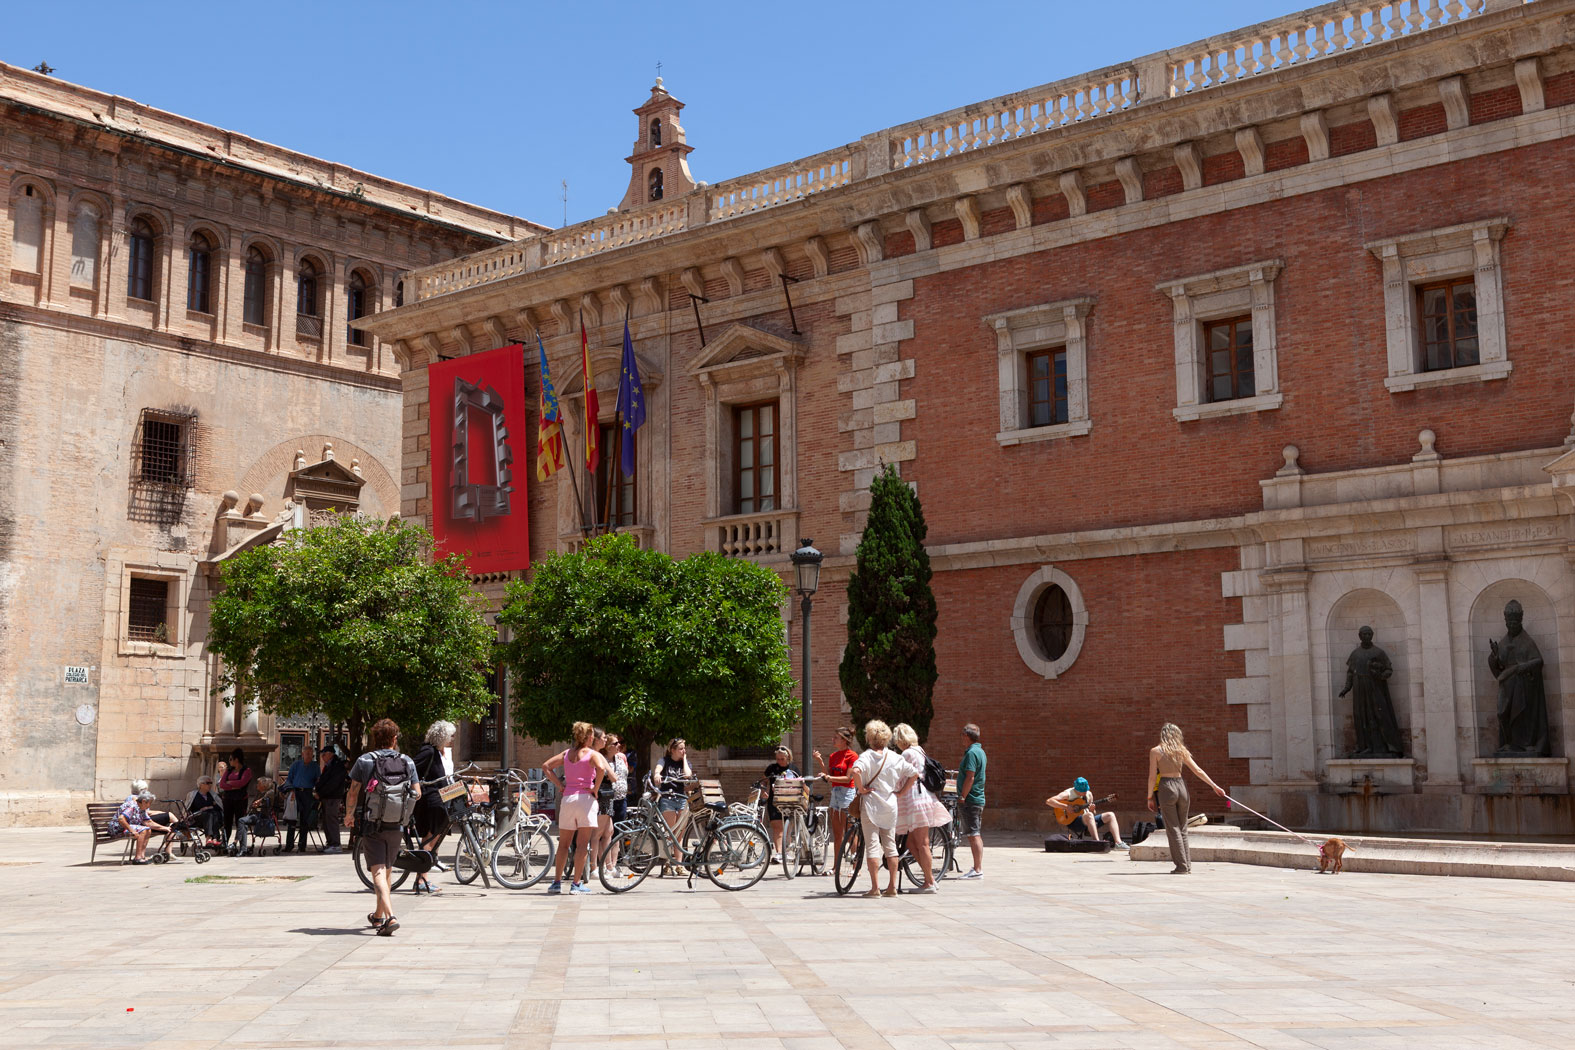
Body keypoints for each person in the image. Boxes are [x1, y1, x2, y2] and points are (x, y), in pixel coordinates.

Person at [344, 718, 421, 935]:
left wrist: (349, 815)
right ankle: (378, 916)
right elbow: (418, 793)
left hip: (372, 823)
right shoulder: (408, 761)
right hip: (397, 824)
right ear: (395, 739)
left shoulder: (365, 761)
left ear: (375, 739)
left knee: (377, 871)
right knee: (386, 870)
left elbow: (353, 791)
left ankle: (391, 916)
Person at [1146, 723, 1226, 875]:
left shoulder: (1155, 751)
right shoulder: (1181, 751)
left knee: (1173, 828)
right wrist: (1214, 786)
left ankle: (1181, 867)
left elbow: (1152, 777)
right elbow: (1198, 770)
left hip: (1166, 787)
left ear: (1162, 735)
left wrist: (1150, 796)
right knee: (1183, 828)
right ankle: (1187, 865)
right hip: (1181, 787)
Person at [542, 721, 611, 895]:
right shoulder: (592, 754)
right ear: (589, 737)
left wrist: (560, 785)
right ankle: (576, 883)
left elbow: (546, 766)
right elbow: (602, 768)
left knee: (564, 844)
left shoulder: (567, 753)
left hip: (568, 799)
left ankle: (556, 882)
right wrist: (595, 788)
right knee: (582, 845)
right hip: (585, 801)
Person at [850, 719, 908, 898]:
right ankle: (892, 887)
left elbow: (856, 771)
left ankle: (875, 887)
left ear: (869, 737)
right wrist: (901, 792)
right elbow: (913, 773)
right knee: (891, 846)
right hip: (890, 805)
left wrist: (861, 789)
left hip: (871, 805)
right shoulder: (895, 757)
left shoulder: (866, 756)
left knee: (872, 846)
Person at [892, 723, 950, 893]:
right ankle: (929, 879)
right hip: (922, 797)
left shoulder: (907, 753)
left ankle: (929, 882)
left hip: (914, 799)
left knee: (922, 843)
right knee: (911, 842)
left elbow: (902, 776)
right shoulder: (919, 751)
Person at [410, 721, 457, 887]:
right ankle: (421, 878)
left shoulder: (437, 752)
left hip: (439, 800)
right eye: (450, 736)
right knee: (429, 840)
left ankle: (423, 876)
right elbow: (412, 768)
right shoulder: (428, 751)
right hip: (430, 801)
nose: (452, 739)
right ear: (442, 736)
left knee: (433, 840)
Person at [812, 727, 859, 863]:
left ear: (844, 740)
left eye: (836, 738)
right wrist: (820, 761)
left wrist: (829, 778)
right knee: (837, 834)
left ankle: (855, 865)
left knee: (849, 832)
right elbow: (829, 775)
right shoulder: (833, 756)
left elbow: (848, 778)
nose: (833, 740)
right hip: (835, 793)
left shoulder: (853, 756)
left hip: (847, 794)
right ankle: (835, 867)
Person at [1047, 777, 1127, 850]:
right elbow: (1049, 801)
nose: (1085, 792)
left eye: (1086, 790)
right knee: (1089, 815)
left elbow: (1092, 813)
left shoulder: (1089, 794)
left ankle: (1118, 843)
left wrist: (1092, 810)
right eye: (1083, 791)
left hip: (1088, 820)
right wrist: (1065, 807)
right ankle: (1097, 843)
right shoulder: (1068, 794)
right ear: (1076, 790)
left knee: (1110, 815)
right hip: (1073, 822)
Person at [957, 724, 987, 879]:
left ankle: (977, 869)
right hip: (976, 798)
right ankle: (977, 867)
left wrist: (962, 796)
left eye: (962, 735)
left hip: (971, 799)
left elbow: (970, 777)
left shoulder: (972, 753)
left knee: (974, 834)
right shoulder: (980, 751)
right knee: (974, 833)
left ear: (966, 736)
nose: (961, 738)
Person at [107, 791, 169, 864]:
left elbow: (148, 822)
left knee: (148, 830)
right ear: (143, 801)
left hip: (125, 826)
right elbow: (121, 819)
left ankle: (142, 856)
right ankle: (137, 858)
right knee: (143, 829)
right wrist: (132, 831)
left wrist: (164, 828)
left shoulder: (141, 808)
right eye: (150, 803)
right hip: (117, 828)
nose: (149, 806)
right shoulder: (132, 806)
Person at [761, 745, 801, 853]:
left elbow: (800, 783)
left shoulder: (794, 769)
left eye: (782, 759)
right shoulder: (772, 768)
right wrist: (763, 790)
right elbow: (764, 781)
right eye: (778, 759)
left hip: (789, 801)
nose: (779, 761)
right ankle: (779, 853)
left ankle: (786, 851)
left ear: (788, 758)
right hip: (774, 802)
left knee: (787, 829)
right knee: (777, 828)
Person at [600, 732, 630, 875]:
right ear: (607, 746)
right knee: (606, 833)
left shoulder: (622, 758)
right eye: (615, 743)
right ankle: (605, 865)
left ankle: (613, 865)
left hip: (621, 798)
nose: (618, 746)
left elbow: (624, 775)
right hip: (607, 799)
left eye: (619, 743)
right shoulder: (602, 759)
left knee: (617, 833)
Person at [282, 745, 319, 853]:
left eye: (311, 753)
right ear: (302, 754)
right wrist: (291, 791)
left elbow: (318, 780)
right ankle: (289, 845)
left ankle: (302, 845)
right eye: (307, 753)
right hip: (295, 792)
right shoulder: (296, 765)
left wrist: (316, 791)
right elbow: (289, 779)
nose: (309, 755)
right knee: (292, 819)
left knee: (305, 819)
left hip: (307, 793)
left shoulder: (315, 766)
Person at [650, 738, 692, 831]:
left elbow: (688, 775)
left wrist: (684, 759)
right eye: (681, 749)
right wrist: (657, 774)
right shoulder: (665, 760)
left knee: (680, 832)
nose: (684, 751)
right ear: (673, 750)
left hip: (682, 799)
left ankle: (677, 846)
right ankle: (671, 846)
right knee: (671, 833)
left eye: (684, 748)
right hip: (667, 799)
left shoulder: (685, 763)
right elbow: (658, 768)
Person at [232, 777, 280, 855]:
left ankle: (235, 843)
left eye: (259, 783)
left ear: (264, 785)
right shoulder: (258, 793)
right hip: (255, 815)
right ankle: (242, 849)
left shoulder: (270, 792)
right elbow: (252, 805)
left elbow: (266, 797)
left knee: (242, 821)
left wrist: (259, 801)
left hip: (264, 816)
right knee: (242, 823)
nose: (257, 785)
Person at [315, 745, 348, 854]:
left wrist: (321, 793)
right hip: (327, 797)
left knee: (331, 820)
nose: (322, 757)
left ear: (330, 754)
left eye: (324, 754)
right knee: (326, 821)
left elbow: (333, 783)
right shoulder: (329, 765)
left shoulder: (337, 766)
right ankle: (330, 843)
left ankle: (335, 844)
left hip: (333, 797)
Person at [217, 748, 253, 846]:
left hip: (240, 800)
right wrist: (234, 786)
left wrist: (230, 784)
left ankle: (241, 844)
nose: (230, 761)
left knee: (240, 822)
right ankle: (224, 843)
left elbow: (242, 783)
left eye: (231, 759)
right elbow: (222, 784)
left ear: (236, 759)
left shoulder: (247, 770)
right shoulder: (229, 771)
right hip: (228, 799)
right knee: (227, 822)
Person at [185, 775, 224, 846]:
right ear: (201, 784)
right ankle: (209, 838)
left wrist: (209, 807)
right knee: (209, 815)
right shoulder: (193, 795)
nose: (210, 785)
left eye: (211, 783)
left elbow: (219, 806)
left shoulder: (213, 795)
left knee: (213, 814)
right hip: (197, 817)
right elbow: (187, 808)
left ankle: (214, 839)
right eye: (207, 783)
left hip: (212, 816)